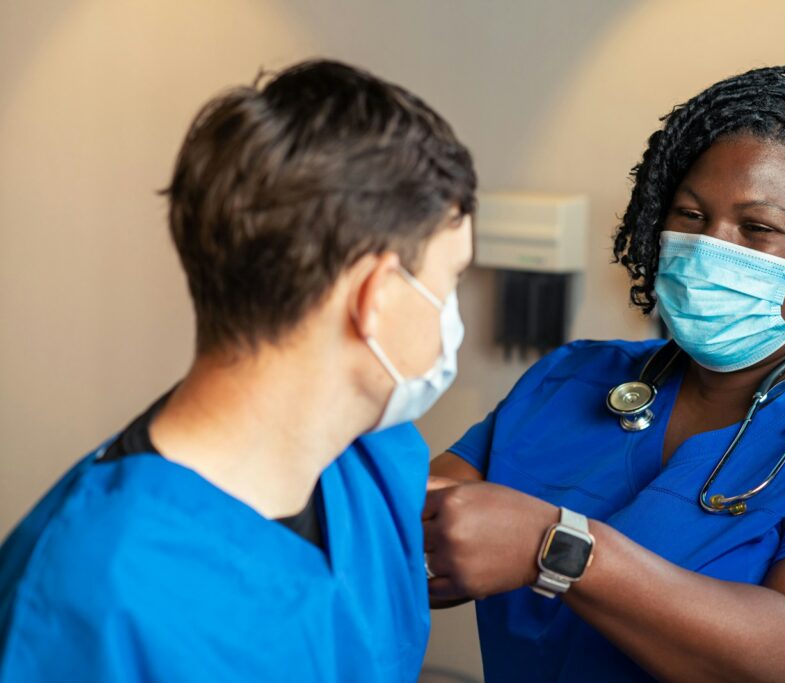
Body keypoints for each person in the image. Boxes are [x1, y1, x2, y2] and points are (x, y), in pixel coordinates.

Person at [426, 66, 785, 682]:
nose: (710, 248)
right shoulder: (574, 381)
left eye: (758, 229)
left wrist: (560, 547)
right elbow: (411, 537)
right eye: (691, 217)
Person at [0, 59, 475, 682]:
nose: (450, 312)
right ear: (376, 296)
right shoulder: (90, 595)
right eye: (452, 279)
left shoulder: (376, 464)